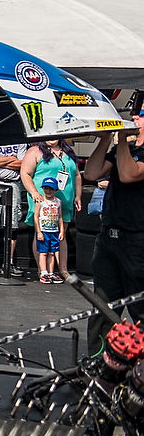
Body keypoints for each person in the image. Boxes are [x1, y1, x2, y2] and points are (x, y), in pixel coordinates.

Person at [82, 111, 144, 355]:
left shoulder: (131, 152)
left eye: (139, 115)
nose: (134, 119)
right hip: (109, 237)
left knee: (139, 308)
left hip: (137, 239)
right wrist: (107, 138)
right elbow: (92, 174)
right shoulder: (124, 148)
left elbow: (129, 174)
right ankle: (98, 364)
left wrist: (121, 138)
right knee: (103, 307)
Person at [20, 139, 82, 283]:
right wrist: (34, 192)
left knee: (61, 234)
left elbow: (77, 175)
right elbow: (25, 173)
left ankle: (63, 270)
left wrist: (78, 195)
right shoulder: (35, 151)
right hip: (43, 200)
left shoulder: (68, 152)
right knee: (41, 233)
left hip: (63, 200)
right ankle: (43, 270)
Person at [0, 143, 28, 274]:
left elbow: (22, 163)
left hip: (13, 184)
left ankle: (8, 263)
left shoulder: (20, 141)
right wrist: (11, 159)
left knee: (12, 226)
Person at [34, 177, 64, 284]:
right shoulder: (41, 201)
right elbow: (36, 216)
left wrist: (61, 231)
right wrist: (39, 232)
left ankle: (51, 272)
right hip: (44, 231)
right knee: (43, 253)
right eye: (46, 188)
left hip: (54, 231)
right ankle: (43, 272)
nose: (48, 191)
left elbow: (60, 217)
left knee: (52, 252)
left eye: (51, 189)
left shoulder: (58, 202)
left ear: (56, 190)